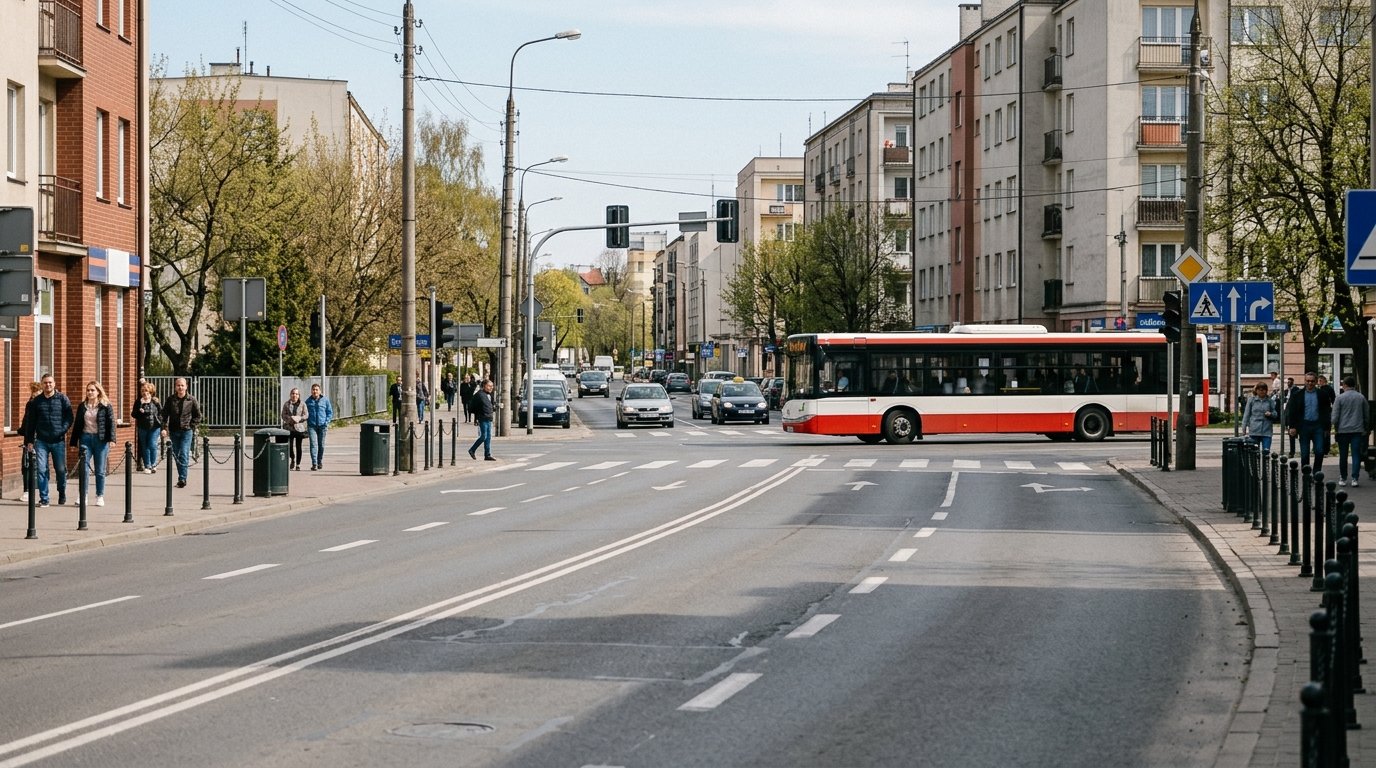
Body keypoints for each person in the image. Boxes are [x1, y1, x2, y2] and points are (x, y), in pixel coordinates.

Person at [23, 373, 73, 507]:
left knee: (61, 470)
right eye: (45, 383)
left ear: (54, 384)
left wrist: (61, 430)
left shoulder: (62, 399)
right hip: (41, 441)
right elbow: (31, 422)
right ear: (42, 384)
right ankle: (44, 498)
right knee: (41, 469)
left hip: (58, 440)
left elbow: (69, 418)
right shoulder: (36, 402)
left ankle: (61, 492)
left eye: (50, 382)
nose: (48, 385)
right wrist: (29, 441)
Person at [71, 381, 116, 507]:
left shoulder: (105, 406)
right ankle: (83, 495)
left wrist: (112, 439)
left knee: (100, 470)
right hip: (85, 438)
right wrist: (74, 441)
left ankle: (100, 495)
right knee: (83, 469)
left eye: (92, 390)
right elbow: (77, 424)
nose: (90, 392)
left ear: (98, 392)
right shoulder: (82, 406)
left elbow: (111, 423)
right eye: (88, 390)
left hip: (100, 440)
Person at [1286, 372, 1333, 473]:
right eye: (1308, 381)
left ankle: (1317, 472)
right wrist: (1292, 427)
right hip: (1304, 427)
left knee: (1319, 451)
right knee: (1305, 453)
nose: (1310, 383)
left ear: (1316, 382)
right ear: (1304, 381)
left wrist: (1327, 428)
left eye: (1312, 381)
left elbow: (1326, 412)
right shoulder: (1297, 395)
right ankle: (1306, 473)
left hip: (1318, 426)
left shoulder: (1322, 394)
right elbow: (1292, 412)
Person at [162, 377, 202, 489]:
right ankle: (181, 475)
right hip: (174, 431)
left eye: (182, 385)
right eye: (178, 385)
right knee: (176, 455)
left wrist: (192, 426)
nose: (180, 387)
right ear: (175, 387)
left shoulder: (191, 400)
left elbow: (198, 415)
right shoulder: (170, 400)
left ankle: (182, 478)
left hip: (186, 431)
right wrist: (164, 428)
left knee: (184, 453)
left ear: (186, 386)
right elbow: (164, 415)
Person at [1331, 375, 1369, 488]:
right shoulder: (1361, 397)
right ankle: (1355, 478)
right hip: (1357, 430)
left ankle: (1343, 477)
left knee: (1343, 455)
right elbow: (1366, 415)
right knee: (1356, 454)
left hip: (1343, 431)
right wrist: (1365, 428)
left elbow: (1335, 417)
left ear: (1345, 385)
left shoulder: (1339, 398)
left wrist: (1335, 427)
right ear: (1354, 386)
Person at [16, 381, 41, 502]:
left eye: (36, 393)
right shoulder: (31, 404)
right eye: (33, 393)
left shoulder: (36, 404)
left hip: (39, 438)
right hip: (30, 438)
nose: (34, 396)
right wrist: (22, 430)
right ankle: (28, 491)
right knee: (27, 464)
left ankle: (30, 491)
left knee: (30, 465)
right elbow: (26, 420)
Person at [131, 381, 162, 475]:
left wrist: (162, 424)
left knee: (152, 444)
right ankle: (147, 465)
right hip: (142, 427)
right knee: (144, 446)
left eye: (147, 391)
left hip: (155, 426)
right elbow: (133, 414)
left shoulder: (155, 402)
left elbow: (161, 413)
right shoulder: (139, 402)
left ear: (151, 392)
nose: (145, 393)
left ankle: (153, 464)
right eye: (143, 391)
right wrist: (139, 412)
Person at [1241, 381, 1277, 454]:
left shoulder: (1270, 401)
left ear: (1266, 391)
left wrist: (1270, 414)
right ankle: (1255, 465)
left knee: (1266, 452)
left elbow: (1275, 414)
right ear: (1256, 390)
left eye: (1264, 390)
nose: (1262, 392)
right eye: (1260, 390)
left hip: (1266, 430)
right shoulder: (1252, 400)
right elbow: (1246, 414)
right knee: (1254, 452)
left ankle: (1265, 465)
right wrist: (1244, 427)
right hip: (1254, 430)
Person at [305, 382, 334, 471]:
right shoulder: (308, 401)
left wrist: (326, 421)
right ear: (311, 391)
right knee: (313, 445)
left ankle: (319, 461)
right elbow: (304, 413)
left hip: (322, 426)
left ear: (320, 391)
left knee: (321, 445)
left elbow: (330, 412)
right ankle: (314, 463)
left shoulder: (325, 400)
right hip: (312, 426)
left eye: (316, 390)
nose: (315, 391)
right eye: (313, 390)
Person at [467, 378, 496, 461]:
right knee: (483, 436)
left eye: (492, 386)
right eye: (489, 386)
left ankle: (487, 454)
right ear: (484, 386)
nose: (491, 388)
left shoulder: (490, 395)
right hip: (482, 417)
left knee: (488, 437)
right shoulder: (479, 395)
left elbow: (491, 405)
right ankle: (472, 450)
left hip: (489, 417)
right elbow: (473, 407)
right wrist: (476, 418)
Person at [280, 387, 308, 471]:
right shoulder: (286, 404)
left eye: (296, 394)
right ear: (290, 395)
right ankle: (292, 458)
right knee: (290, 446)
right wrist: (290, 419)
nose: (294, 395)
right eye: (293, 393)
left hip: (299, 428)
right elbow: (283, 415)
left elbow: (306, 415)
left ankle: (298, 464)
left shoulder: (302, 404)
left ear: (299, 395)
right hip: (289, 428)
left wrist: (299, 418)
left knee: (298, 446)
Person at [1317, 375, 1337, 456]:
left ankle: (1323, 449)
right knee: (1326, 432)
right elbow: (1334, 400)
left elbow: (1333, 400)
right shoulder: (1328, 389)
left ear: (1322, 381)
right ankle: (1325, 449)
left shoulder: (1323, 389)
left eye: (1319, 381)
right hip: (1326, 412)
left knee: (1323, 431)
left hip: (1323, 413)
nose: (1318, 383)